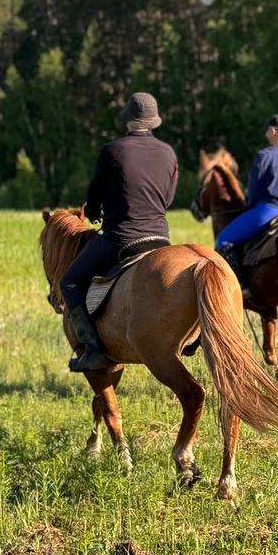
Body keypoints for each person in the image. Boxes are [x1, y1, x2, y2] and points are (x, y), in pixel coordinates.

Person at [62, 92, 179, 372]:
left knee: (70, 283)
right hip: (160, 239)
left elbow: (96, 193)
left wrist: (92, 213)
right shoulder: (168, 153)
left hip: (121, 238)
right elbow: (168, 198)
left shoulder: (113, 150)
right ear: (153, 122)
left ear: (128, 121)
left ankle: (92, 349)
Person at [215, 113, 278, 281]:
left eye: (268, 130)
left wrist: (249, 204)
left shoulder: (265, 156)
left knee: (224, 239)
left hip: (271, 210)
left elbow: (254, 191)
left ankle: (241, 286)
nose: (266, 133)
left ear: (274, 131)